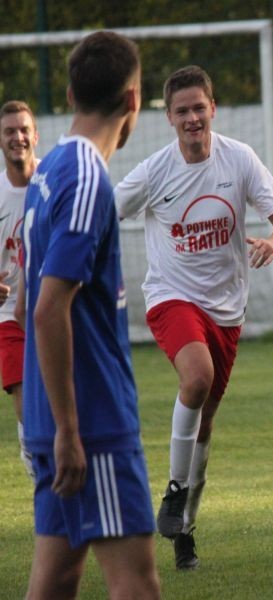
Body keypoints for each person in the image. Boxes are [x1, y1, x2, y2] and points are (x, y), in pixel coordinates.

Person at [114, 65, 273, 570]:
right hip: (171, 297)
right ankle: (174, 488)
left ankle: (185, 529)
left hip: (226, 309)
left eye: (200, 108)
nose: (193, 118)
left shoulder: (239, 159)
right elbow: (104, 213)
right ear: (169, 118)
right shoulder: (154, 171)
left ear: (212, 109)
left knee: (205, 426)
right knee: (196, 377)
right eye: (182, 111)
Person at [20, 31, 160, 599]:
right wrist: (71, 432)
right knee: (138, 586)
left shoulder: (50, 166)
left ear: (73, 91)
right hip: (91, 423)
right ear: (133, 101)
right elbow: (50, 309)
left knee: (56, 582)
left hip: (53, 417)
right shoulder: (85, 178)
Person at [0, 100, 38, 479]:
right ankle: (38, 465)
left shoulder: (54, 185)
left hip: (54, 311)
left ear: (35, 135)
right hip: (9, 315)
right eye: (10, 131)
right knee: (30, 411)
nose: (18, 137)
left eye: (24, 129)